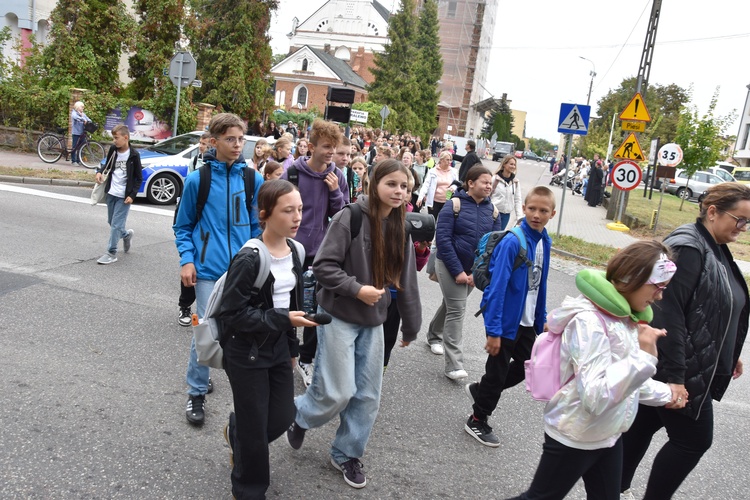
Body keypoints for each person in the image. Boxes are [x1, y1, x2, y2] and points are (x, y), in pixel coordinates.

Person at [286, 159, 421, 489]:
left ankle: (346, 453)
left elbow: (407, 280)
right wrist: (356, 289)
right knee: (338, 390)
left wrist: (411, 326)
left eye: (404, 186)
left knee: (367, 395)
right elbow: (323, 267)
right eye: (391, 183)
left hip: (374, 322)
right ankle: (300, 416)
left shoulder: (401, 228)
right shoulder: (352, 216)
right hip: (339, 316)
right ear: (373, 184)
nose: (398, 191)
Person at [508, 240, 678, 500]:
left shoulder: (625, 318)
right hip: (575, 434)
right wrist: (644, 358)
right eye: (657, 286)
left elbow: (624, 383)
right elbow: (596, 395)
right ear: (631, 278)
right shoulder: (590, 322)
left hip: (608, 433)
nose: (660, 296)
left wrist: (667, 394)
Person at [620, 183, 750, 500]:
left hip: (687, 365)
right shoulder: (690, 248)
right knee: (693, 440)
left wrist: (728, 352)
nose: (744, 228)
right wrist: (676, 377)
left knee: (639, 430)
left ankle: (606, 489)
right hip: (680, 369)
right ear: (713, 211)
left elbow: (711, 308)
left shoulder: (714, 246)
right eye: (740, 219)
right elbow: (668, 312)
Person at [219, 180, 317, 499]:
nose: (297, 217)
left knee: (282, 417)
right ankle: (249, 489)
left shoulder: (297, 251)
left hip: (276, 347)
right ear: (265, 215)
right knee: (255, 432)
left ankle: (238, 433)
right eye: (288, 210)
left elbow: (292, 306)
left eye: (299, 209)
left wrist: (291, 348)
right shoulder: (249, 258)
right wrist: (282, 319)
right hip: (244, 351)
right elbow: (232, 314)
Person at [173, 113, 263, 425]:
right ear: (214, 141)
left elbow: (257, 229)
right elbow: (182, 226)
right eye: (230, 139)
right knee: (206, 331)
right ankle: (196, 392)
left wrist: (257, 263)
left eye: (241, 139)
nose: (237, 145)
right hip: (208, 270)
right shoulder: (199, 180)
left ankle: (242, 393)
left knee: (240, 332)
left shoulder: (252, 180)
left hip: (241, 272)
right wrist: (187, 259)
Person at [463, 186, 556, 445]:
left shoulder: (545, 241)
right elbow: (497, 288)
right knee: (497, 371)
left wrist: (542, 317)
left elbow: (540, 284)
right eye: (532, 209)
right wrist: (493, 331)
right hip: (504, 320)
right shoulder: (513, 241)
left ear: (553, 213)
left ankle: (481, 391)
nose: (537, 214)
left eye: (543, 210)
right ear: (523, 208)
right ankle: (477, 419)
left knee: (529, 365)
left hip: (526, 321)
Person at [281, 119, 349, 388]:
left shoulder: (338, 177)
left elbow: (342, 215)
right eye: (326, 146)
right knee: (286, 305)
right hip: (290, 251)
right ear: (311, 147)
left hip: (320, 255)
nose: (331, 152)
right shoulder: (294, 174)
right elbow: (279, 205)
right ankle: (287, 355)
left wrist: (334, 191)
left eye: (335, 147)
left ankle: (307, 360)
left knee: (313, 309)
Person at [426, 165, 503, 379]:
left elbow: (492, 248)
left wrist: (475, 272)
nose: (489, 186)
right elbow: (443, 240)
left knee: (451, 305)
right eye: (485, 182)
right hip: (448, 264)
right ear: (470, 183)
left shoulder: (493, 212)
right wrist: (458, 271)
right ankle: (454, 365)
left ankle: (433, 335)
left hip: (472, 272)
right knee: (457, 309)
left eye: (490, 183)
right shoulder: (454, 205)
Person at [94, 124, 142, 265]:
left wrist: (132, 195)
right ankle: (126, 235)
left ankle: (111, 252)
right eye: (113, 138)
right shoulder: (114, 150)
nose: (114, 141)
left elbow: (138, 178)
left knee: (116, 225)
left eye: (116, 138)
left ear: (125, 137)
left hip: (124, 196)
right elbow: (107, 165)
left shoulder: (134, 155)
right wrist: (99, 171)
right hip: (111, 192)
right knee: (112, 222)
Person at [178, 132, 211, 326]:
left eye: (204, 143)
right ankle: (184, 306)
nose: (201, 146)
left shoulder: (244, 176)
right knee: (190, 270)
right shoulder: (195, 163)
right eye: (200, 143)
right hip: (196, 227)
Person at [417, 151, 460, 217]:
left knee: (444, 221)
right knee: (433, 220)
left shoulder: (454, 171)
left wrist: (453, 187)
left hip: (447, 201)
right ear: (441, 160)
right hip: (434, 201)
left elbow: (456, 184)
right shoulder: (433, 171)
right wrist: (420, 197)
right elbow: (426, 185)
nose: (449, 162)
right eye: (447, 160)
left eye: (450, 160)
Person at [490, 155, 523, 230]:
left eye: (514, 165)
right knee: (489, 235)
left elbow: (517, 200)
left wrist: (519, 217)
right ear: (504, 164)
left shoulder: (515, 182)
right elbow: (486, 195)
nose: (513, 166)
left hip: (506, 215)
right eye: (511, 164)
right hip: (493, 213)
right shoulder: (494, 179)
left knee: (499, 237)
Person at [70, 101, 92, 166]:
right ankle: (73, 161)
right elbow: (76, 117)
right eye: (81, 107)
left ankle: (78, 160)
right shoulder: (74, 113)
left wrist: (86, 119)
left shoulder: (83, 114)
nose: (83, 108)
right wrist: (83, 119)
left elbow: (89, 120)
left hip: (82, 133)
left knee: (81, 146)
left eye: (83, 107)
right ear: (78, 107)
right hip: (76, 133)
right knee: (74, 147)